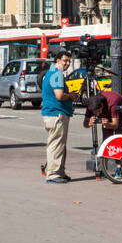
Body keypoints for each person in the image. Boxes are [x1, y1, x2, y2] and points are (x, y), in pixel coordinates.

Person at [41, 48, 75, 183]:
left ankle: (59, 171)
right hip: (57, 114)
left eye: (69, 62)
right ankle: (53, 174)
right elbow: (59, 95)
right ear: (58, 60)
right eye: (64, 61)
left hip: (53, 113)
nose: (67, 64)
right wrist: (71, 96)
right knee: (55, 144)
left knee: (59, 144)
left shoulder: (50, 73)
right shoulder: (57, 74)